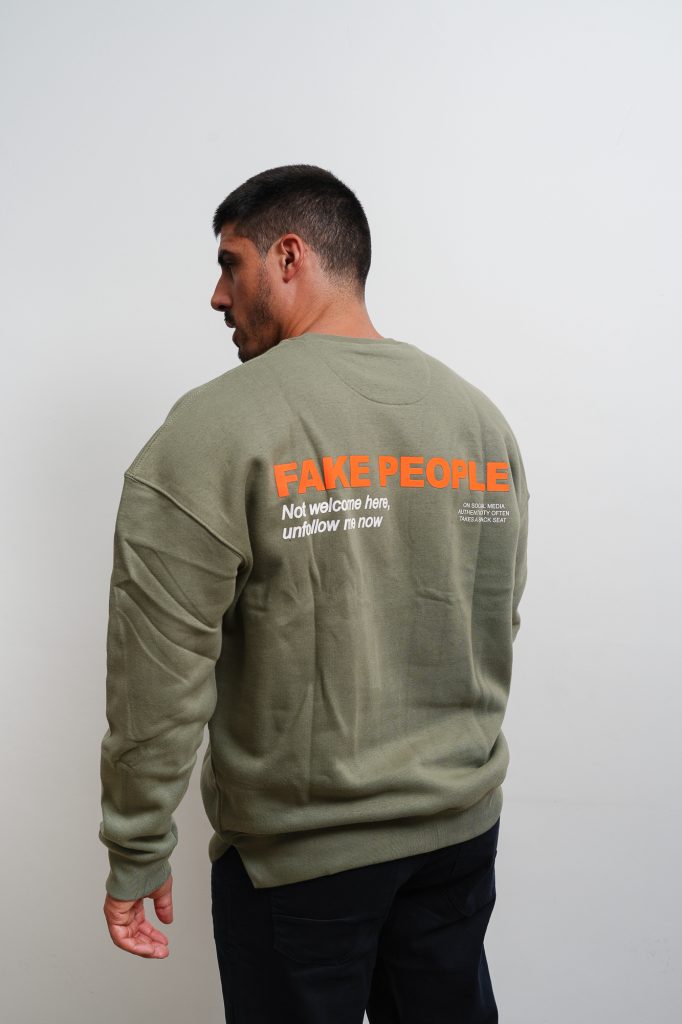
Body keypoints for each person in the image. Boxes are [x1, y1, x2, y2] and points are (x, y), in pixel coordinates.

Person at [99, 164, 530, 1023]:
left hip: (300, 866)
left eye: (231, 264)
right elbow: (495, 613)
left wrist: (137, 847)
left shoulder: (215, 430)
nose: (218, 297)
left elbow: (158, 674)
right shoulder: (477, 421)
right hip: (457, 835)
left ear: (289, 257)